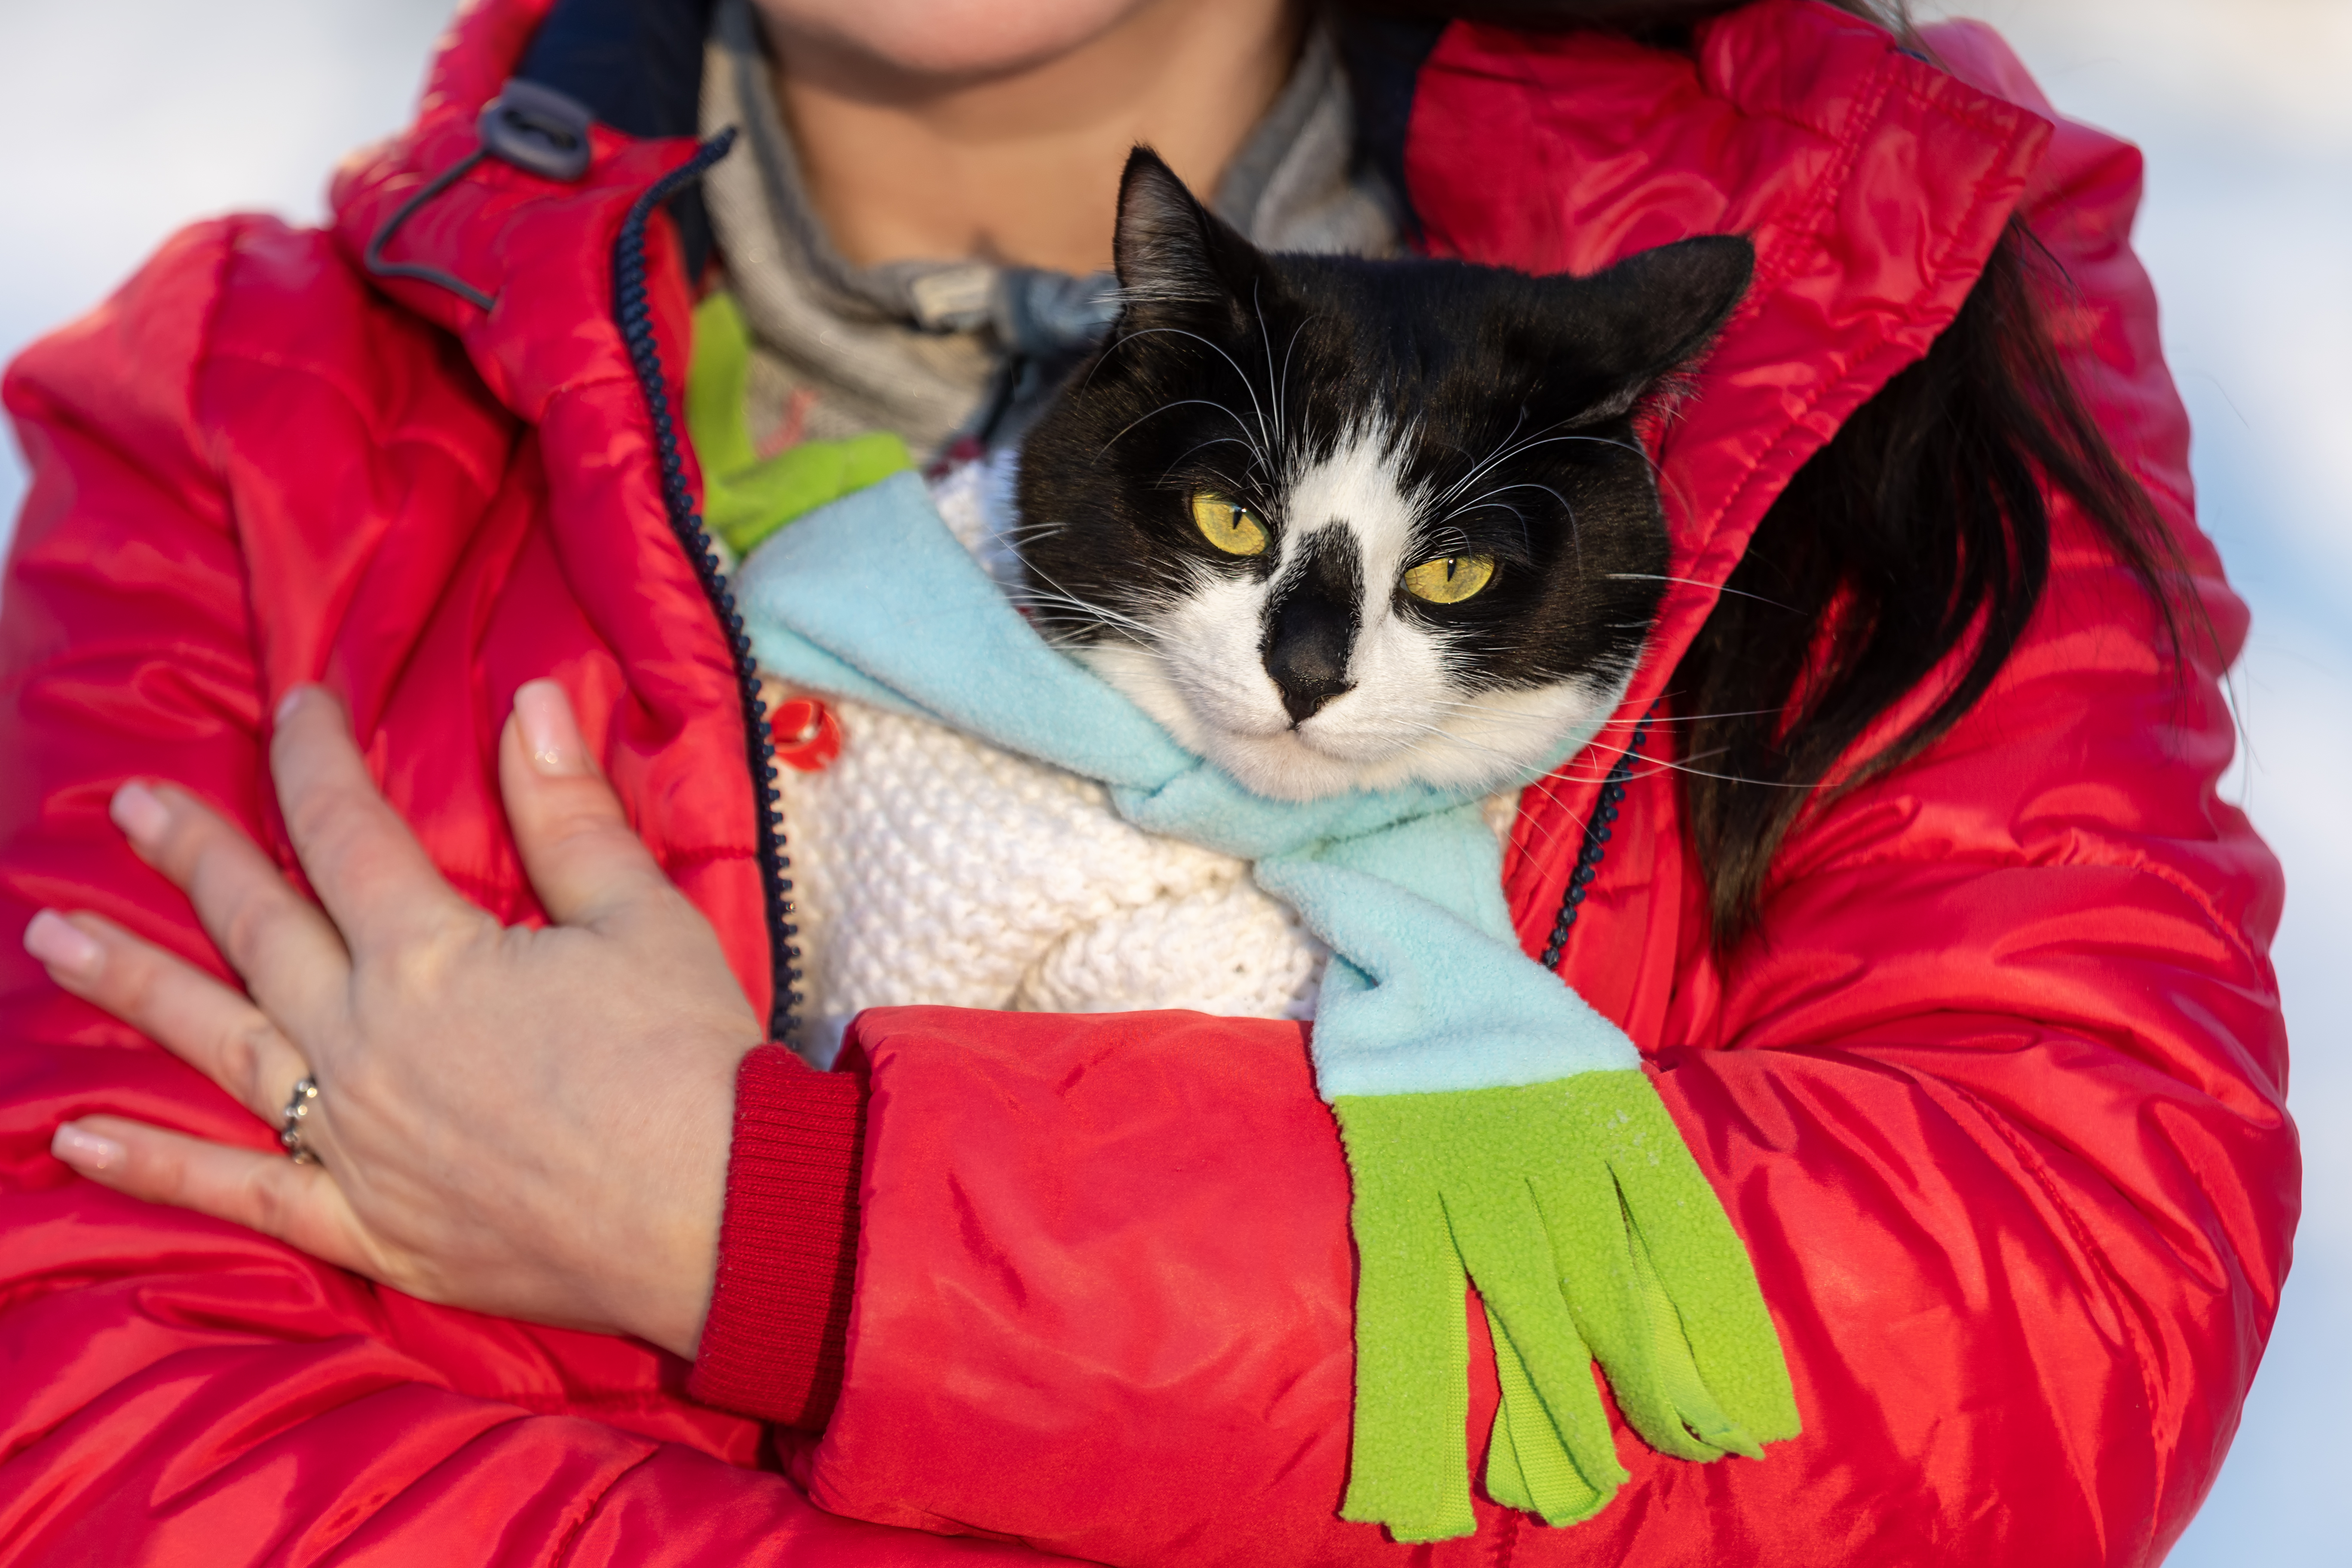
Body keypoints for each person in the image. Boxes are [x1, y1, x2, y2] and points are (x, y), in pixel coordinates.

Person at [0, 0, 2294, 1562]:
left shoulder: (1832, 281)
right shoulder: (261, 415)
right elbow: (102, 1437)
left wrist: (780, 1222)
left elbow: (2042, 1304)